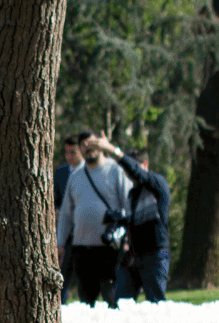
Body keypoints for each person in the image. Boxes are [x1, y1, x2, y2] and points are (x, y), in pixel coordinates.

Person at [88, 134, 170, 302]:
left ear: (145, 165)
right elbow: (134, 222)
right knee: (121, 303)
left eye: (132, 168)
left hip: (155, 255)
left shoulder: (157, 183)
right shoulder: (133, 194)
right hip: (133, 256)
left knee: (155, 304)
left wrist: (111, 150)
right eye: (126, 171)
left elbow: (139, 174)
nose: (129, 173)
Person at [55, 131, 132, 306]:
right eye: (83, 145)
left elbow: (128, 205)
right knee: (86, 299)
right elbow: (66, 213)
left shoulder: (115, 170)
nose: (88, 148)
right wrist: (60, 242)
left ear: (100, 144)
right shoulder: (76, 176)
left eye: (92, 143)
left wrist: (128, 238)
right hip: (81, 248)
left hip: (109, 247)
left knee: (110, 296)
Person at [53, 136, 80, 299]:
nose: (69, 156)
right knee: (62, 279)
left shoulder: (87, 171)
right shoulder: (61, 172)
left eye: (73, 152)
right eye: (66, 152)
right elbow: (55, 199)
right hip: (66, 234)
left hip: (86, 234)